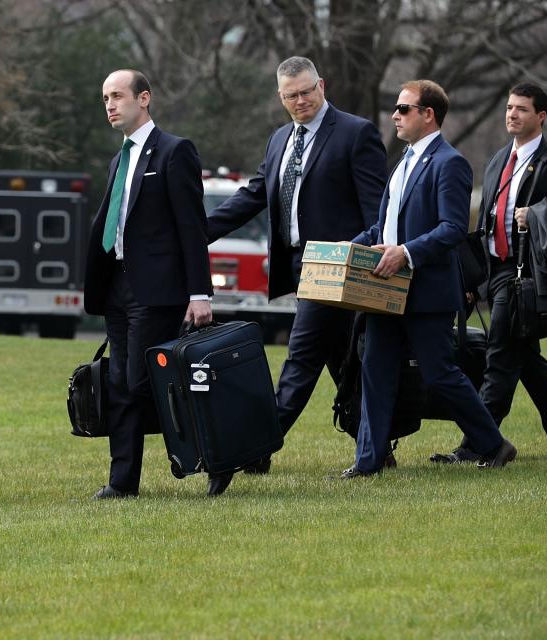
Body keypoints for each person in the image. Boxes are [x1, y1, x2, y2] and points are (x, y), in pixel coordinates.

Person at [207, 56, 387, 472]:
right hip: (298, 268)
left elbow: (378, 211)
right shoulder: (279, 140)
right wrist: (197, 233)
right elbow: (252, 196)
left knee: (301, 358)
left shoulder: (355, 133)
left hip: (337, 269)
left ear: (321, 86)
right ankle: (377, 448)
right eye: (292, 95)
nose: (301, 100)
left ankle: (255, 448)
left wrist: (356, 252)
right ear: (281, 97)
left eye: (307, 91)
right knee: (342, 363)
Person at [342, 79, 517, 477]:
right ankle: (368, 462)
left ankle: (494, 444)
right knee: (375, 369)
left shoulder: (449, 162)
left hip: (427, 293)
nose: (395, 116)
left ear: (428, 115)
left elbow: (453, 227)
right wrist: (348, 248)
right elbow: (382, 228)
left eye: (403, 109)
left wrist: (405, 253)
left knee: (439, 375)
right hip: (386, 291)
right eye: (396, 109)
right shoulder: (401, 162)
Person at [433, 82, 547, 463]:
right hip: (497, 272)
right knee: (526, 357)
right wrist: (476, 281)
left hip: (528, 275)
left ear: (541, 116)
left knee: (501, 357)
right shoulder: (498, 161)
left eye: (521, 109)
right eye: (509, 107)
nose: (512, 114)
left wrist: (538, 215)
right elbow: (488, 225)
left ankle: (478, 445)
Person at [84, 69, 216, 498]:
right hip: (117, 289)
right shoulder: (117, 160)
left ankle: (213, 454)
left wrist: (200, 293)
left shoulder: (174, 152)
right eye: (105, 97)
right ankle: (122, 483)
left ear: (144, 99)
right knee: (122, 384)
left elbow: (191, 227)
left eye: (117, 96)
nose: (109, 104)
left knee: (142, 384)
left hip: (158, 290)